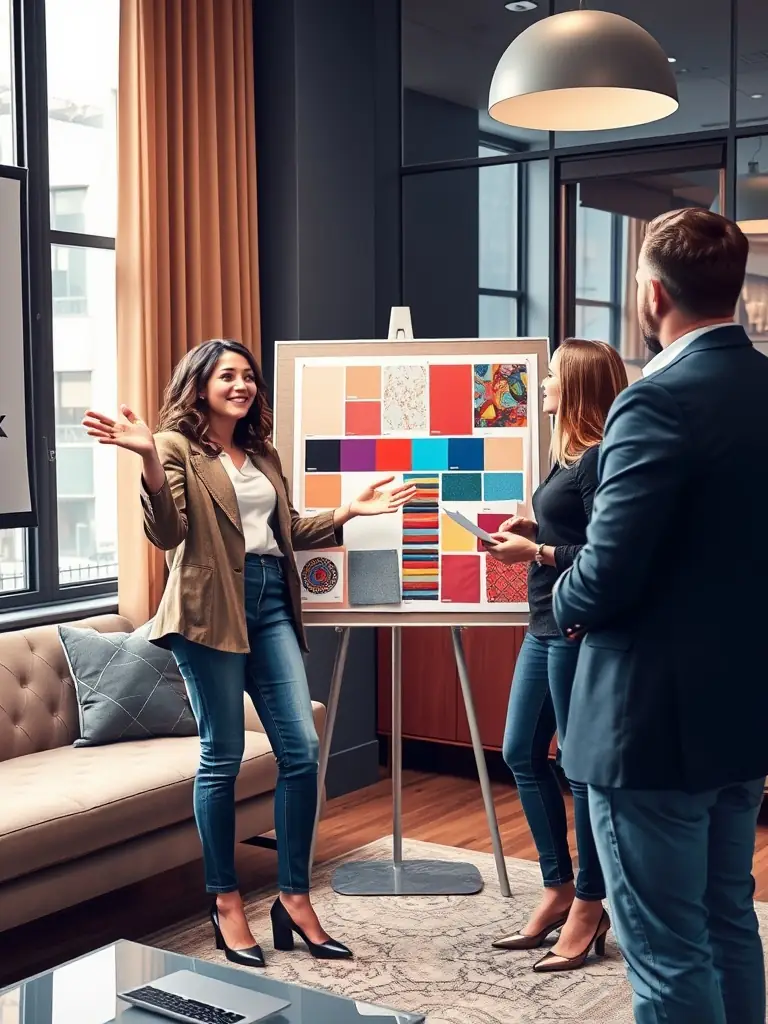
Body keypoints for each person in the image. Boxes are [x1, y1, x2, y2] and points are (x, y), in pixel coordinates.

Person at [83, 339, 415, 969]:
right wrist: (150, 460)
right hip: (210, 608)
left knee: (301, 750)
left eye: (248, 377)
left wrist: (348, 511)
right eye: (227, 376)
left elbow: (283, 529)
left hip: (270, 601)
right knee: (224, 755)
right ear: (199, 384)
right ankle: (226, 900)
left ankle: (293, 896)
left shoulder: (262, 452)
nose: (241, 385)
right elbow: (168, 533)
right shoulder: (174, 446)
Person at [553, 209, 768, 1024]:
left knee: (668, 951)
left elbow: (607, 574)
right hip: (741, 711)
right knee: (725, 920)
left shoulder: (654, 403)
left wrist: (559, 599)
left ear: (650, 293)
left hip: (647, 725)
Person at [484, 338, 628, 972]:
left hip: (572, 628)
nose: (539, 383)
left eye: (550, 377)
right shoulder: (567, 458)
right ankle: (558, 887)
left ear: (576, 388)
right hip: (540, 623)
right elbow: (573, 531)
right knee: (519, 751)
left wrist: (537, 555)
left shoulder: (600, 460)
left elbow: (608, 561)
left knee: (578, 768)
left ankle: (591, 904)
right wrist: (534, 531)